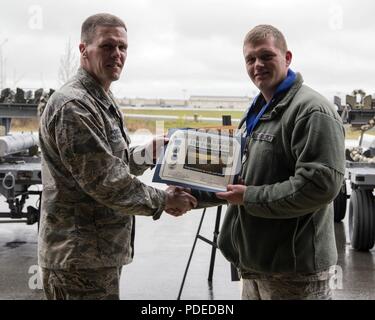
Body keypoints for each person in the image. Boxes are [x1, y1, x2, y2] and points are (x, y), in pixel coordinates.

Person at [169, 25, 345, 300]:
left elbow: (319, 186)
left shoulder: (311, 111)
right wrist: (190, 195)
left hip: (294, 272)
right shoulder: (257, 110)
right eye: (250, 59)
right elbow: (235, 181)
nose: (257, 65)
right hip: (255, 266)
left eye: (266, 56)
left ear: (287, 57)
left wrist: (250, 197)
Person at [38, 13, 197, 300]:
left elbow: (112, 162)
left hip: (97, 255)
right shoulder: (74, 105)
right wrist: (165, 200)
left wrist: (147, 154)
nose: (118, 54)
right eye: (108, 46)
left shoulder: (102, 97)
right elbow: (105, 181)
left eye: (123, 47)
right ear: (84, 49)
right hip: (78, 261)